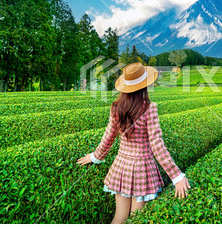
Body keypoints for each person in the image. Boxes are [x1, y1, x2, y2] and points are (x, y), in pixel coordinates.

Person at [77, 62, 191, 224]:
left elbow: (108, 137)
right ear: (144, 86)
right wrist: (176, 176)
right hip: (142, 170)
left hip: (121, 167)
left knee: (120, 217)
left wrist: (95, 156)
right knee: (136, 220)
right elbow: (156, 144)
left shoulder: (116, 107)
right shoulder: (149, 108)